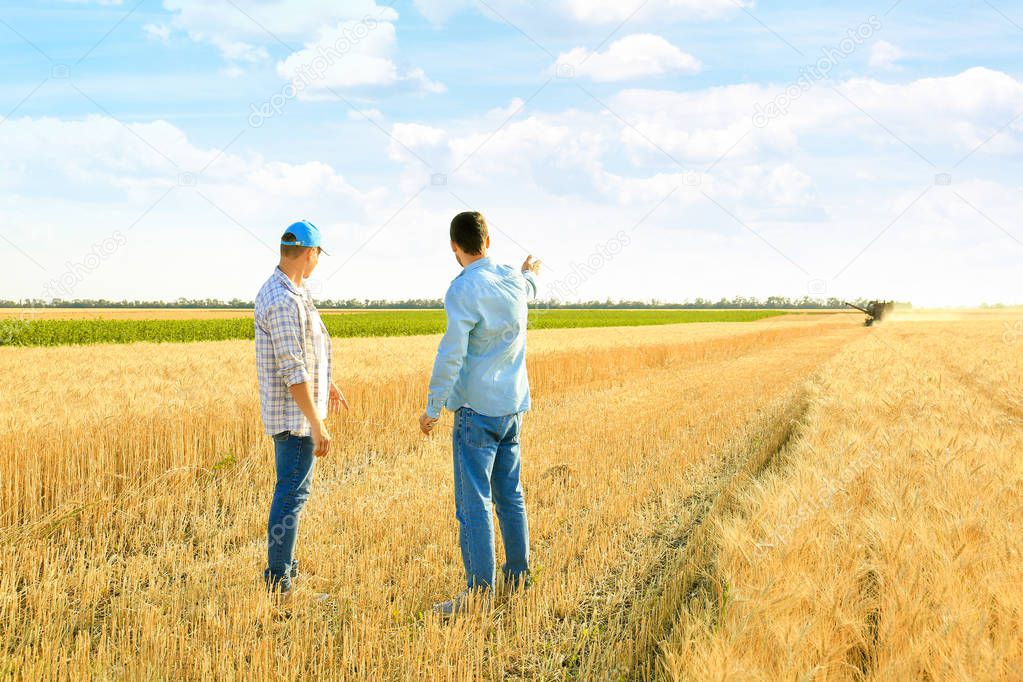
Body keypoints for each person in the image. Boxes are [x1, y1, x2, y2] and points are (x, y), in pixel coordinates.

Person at [419, 211, 542, 617]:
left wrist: (434, 406)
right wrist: (530, 272)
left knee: (474, 503)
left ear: (455, 247)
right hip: (513, 407)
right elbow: (529, 287)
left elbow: (451, 352)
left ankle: (478, 594)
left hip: (476, 411)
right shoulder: (512, 280)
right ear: (487, 241)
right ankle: (519, 575)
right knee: (511, 496)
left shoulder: (462, 290)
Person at [254, 219, 348, 600]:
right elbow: (291, 369)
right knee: (290, 495)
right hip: (295, 420)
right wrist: (316, 422)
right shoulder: (281, 300)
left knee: (294, 493)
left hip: (300, 413)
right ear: (310, 253)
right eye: (318, 256)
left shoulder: (295, 292)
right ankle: (280, 583)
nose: (317, 263)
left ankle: (284, 573)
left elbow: (307, 353)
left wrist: (329, 385)